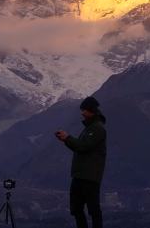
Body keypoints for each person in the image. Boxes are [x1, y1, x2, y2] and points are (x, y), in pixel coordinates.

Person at [55, 96, 107, 228]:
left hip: (89, 176)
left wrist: (68, 138)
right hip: (81, 175)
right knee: (77, 208)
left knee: (93, 209)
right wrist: (66, 140)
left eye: (84, 110)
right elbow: (80, 147)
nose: (82, 113)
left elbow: (84, 147)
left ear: (91, 111)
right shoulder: (90, 128)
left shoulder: (97, 129)